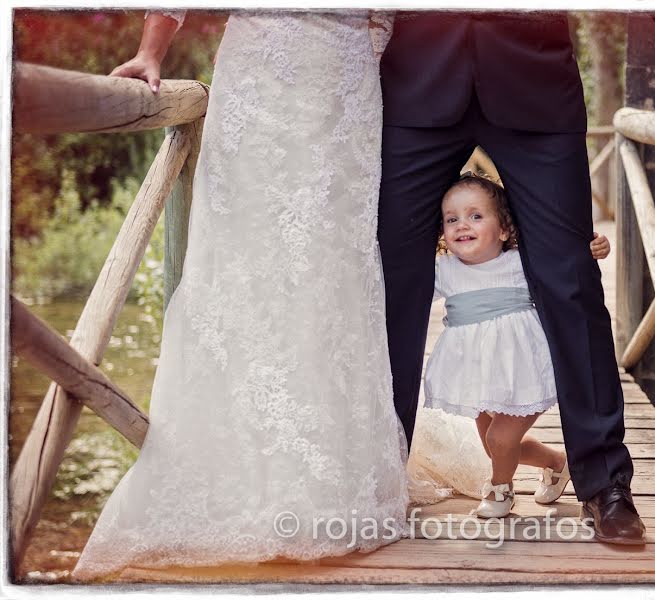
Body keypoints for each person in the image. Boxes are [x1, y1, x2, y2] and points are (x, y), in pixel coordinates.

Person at [377, 12, 655, 544]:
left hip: (534, 87)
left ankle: (606, 484)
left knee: (572, 285)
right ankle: (376, 478)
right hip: (416, 86)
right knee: (389, 288)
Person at [72, 10, 411, 580]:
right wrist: (151, 50)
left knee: (331, 273)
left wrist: (370, 46)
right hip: (260, 76)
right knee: (242, 263)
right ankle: (235, 472)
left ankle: (329, 480)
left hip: (346, 87)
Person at [423, 172, 610, 518]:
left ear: (505, 228)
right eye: (452, 219)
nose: (462, 225)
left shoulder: (520, 261)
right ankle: (556, 463)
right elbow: (408, 292)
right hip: (474, 370)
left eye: (476, 216)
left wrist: (593, 249)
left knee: (500, 441)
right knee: (494, 445)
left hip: (522, 364)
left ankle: (501, 492)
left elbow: (565, 262)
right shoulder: (444, 270)